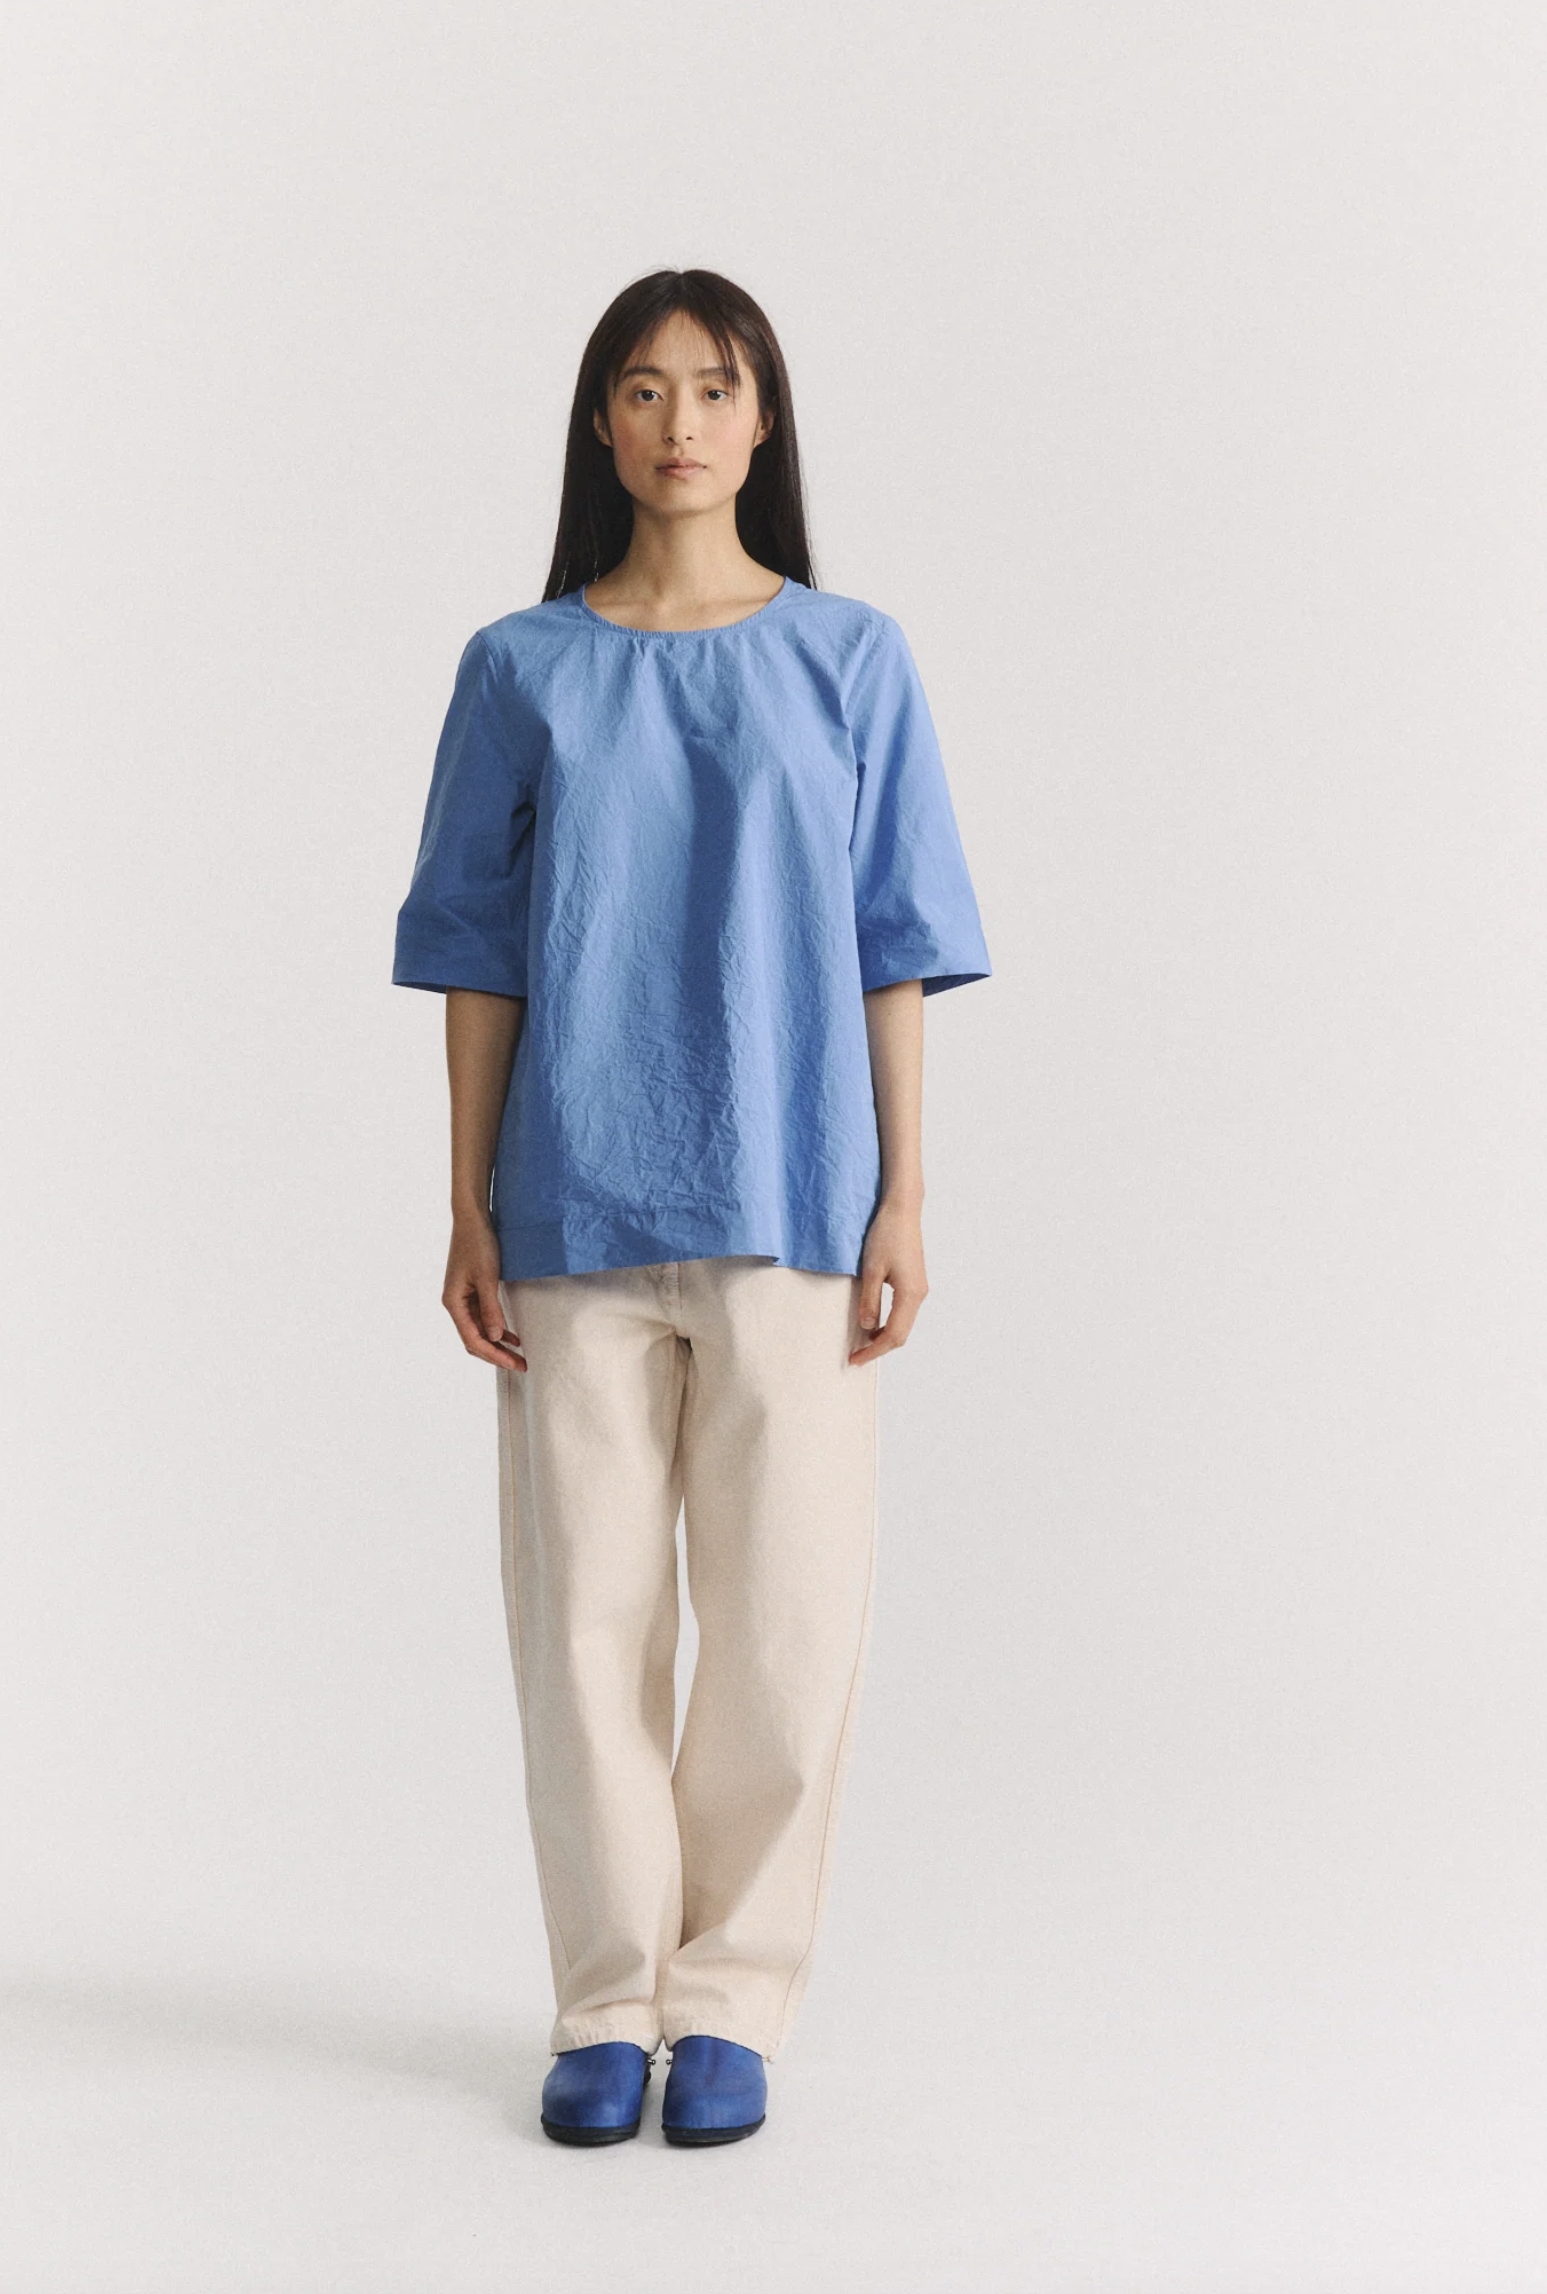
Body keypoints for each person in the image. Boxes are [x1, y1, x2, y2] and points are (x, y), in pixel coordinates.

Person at [392, 269, 991, 2148]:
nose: (678, 423)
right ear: (600, 422)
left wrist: (903, 1192)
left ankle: (729, 1997)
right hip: (571, 1203)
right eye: (643, 390)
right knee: (583, 1624)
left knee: (784, 1624)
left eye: (713, 388)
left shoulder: (851, 657)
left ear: (762, 419)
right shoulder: (519, 666)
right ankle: (604, 2000)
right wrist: (468, 1200)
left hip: (795, 1197)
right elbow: (474, 948)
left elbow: (895, 936)